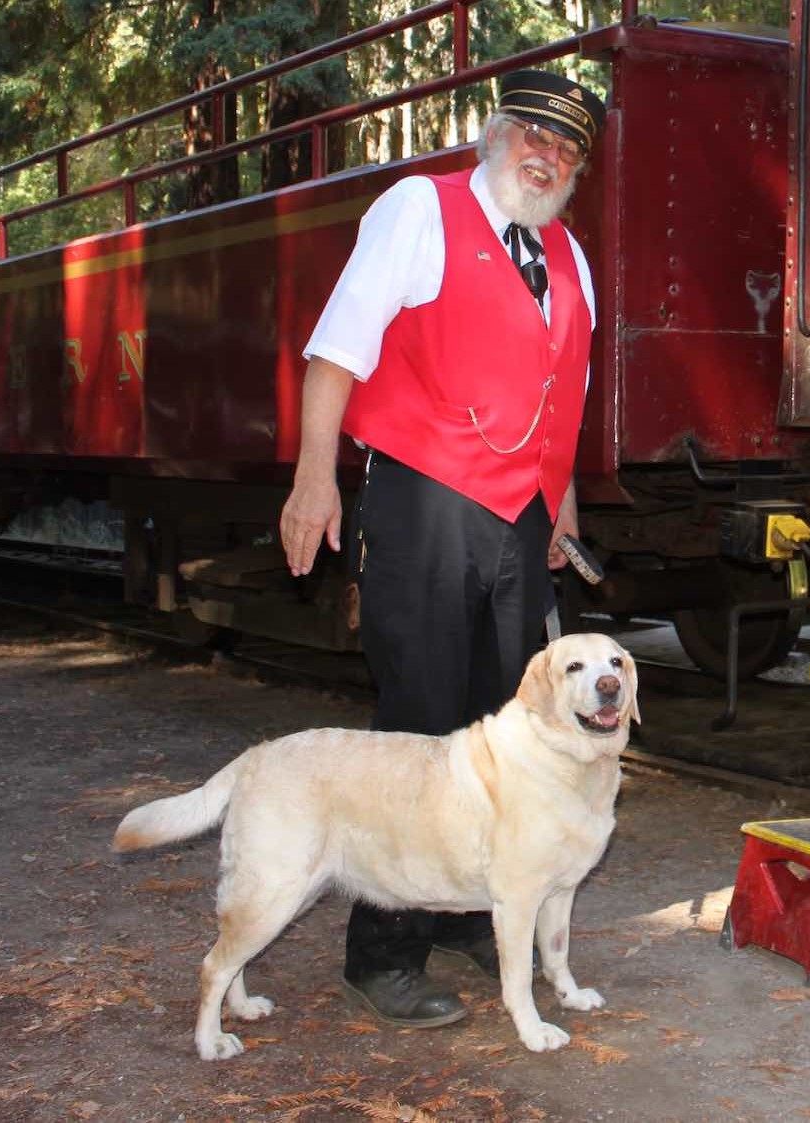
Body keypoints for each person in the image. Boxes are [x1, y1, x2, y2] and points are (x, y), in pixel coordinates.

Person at [276, 69, 604, 1028]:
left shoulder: (570, 259)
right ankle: (380, 955)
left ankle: (472, 908)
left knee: (506, 734)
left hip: (524, 518)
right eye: (533, 136)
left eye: (569, 149)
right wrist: (312, 479)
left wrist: (564, 510)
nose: (548, 157)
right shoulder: (421, 208)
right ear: (495, 136)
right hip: (422, 501)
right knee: (419, 730)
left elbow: (560, 406)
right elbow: (337, 348)